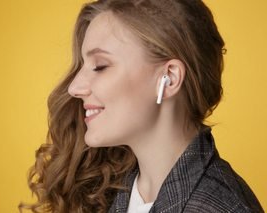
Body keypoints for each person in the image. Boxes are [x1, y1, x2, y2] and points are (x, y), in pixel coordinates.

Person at [19, 0, 264, 212]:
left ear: (169, 79)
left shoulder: (222, 207)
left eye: (100, 66)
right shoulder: (111, 192)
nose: (74, 88)